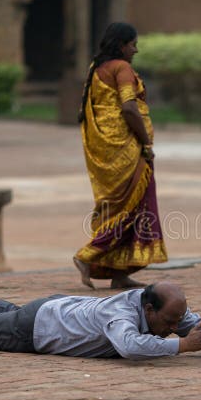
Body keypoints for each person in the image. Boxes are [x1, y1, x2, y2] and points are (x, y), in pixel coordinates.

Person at [0, 284, 201, 360]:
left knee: (9, 314)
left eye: (178, 319)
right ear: (148, 309)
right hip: (38, 329)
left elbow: (190, 323)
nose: (177, 324)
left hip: (53, 309)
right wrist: (184, 345)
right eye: (170, 320)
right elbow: (131, 348)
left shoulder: (158, 305)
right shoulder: (119, 316)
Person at [73, 22, 167, 290]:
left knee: (120, 208)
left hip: (106, 150)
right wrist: (146, 143)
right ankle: (87, 256)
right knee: (133, 208)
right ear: (122, 44)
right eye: (132, 44)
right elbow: (129, 108)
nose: (135, 50)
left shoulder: (96, 68)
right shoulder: (122, 68)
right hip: (126, 149)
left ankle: (119, 271)